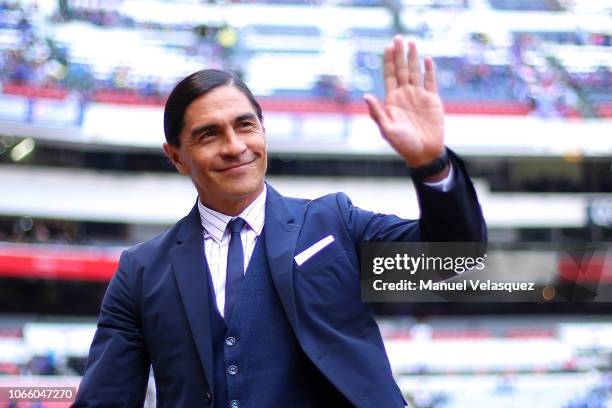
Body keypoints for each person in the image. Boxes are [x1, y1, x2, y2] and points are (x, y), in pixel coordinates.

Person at [72, 36, 486, 408]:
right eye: (209, 135)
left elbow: (451, 258)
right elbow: (106, 399)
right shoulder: (141, 272)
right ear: (177, 156)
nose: (235, 147)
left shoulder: (333, 223)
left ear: (263, 132)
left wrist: (431, 164)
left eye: (245, 125)